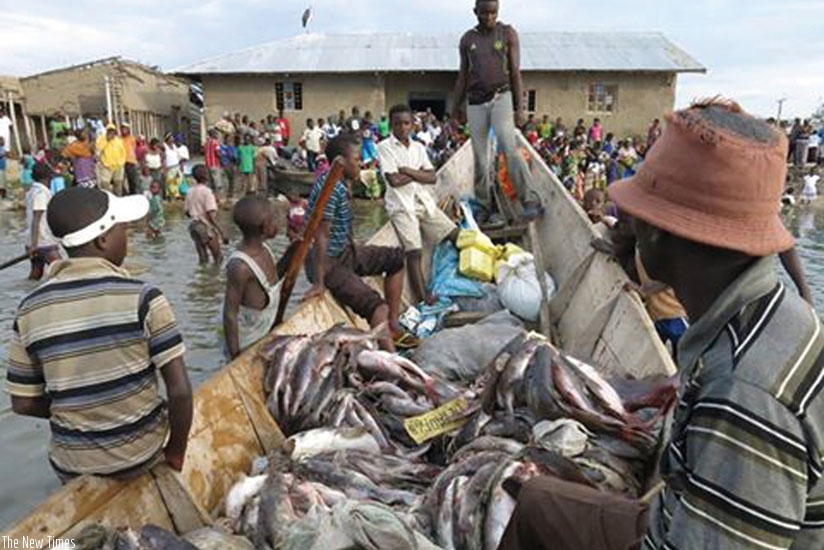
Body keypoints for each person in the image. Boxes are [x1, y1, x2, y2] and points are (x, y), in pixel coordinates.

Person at [500, 100, 824, 550]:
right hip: (677, 516)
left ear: (660, 233)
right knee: (535, 499)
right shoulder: (774, 313)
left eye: (637, 213)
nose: (626, 221)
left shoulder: (742, 396)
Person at [7, 186, 193, 480]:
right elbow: (180, 392)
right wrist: (176, 452)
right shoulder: (144, 297)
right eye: (124, 229)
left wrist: (79, 413)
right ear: (104, 239)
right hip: (141, 455)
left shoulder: (28, 309)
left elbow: (24, 403)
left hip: (72, 465)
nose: (127, 236)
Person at [304, 134, 405, 352]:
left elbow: (340, 225)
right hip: (327, 263)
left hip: (344, 251)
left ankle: (393, 325)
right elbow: (321, 234)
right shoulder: (330, 188)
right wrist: (319, 282)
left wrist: (352, 243)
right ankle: (392, 359)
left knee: (397, 259)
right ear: (341, 161)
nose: (361, 163)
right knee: (376, 306)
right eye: (357, 159)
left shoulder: (341, 183)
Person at [453, 0, 543, 223]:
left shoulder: (507, 33)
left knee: (508, 147)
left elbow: (515, 72)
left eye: (493, 13)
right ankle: (483, 204)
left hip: (501, 97)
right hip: (475, 103)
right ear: (475, 12)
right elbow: (463, 75)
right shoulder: (468, 39)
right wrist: (455, 107)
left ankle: (531, 200)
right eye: (484, 13)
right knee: (480, 156)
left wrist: (519, 108)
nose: (489, 18)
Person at [379, 104, 460, 305]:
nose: (402, 128)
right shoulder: (384, 147)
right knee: (414, 252)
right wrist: (418, 174)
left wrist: (406, 170)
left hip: (422, 201)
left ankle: (461, 271)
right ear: (391, 125)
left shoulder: (418, 147)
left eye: (406, 123)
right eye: (397, 124)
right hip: (400, 206)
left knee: (454, 234)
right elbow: (393, 181)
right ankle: (423, 296)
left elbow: (432, 177)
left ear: (413, 125)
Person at [223, 196, 281, 359]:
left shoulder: (265, 250)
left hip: (264, 332)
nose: (277, 223)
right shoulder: (240, 266)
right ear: (264, 227)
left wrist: (293, 252)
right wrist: (235, 356)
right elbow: (229, 314)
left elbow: (271, 280)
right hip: (247, 342)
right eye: (273, 219)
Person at [185, 164, 228, 265]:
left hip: (194, 226)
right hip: (205, 227)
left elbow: (187, 212)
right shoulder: (207, 192)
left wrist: (196, 212)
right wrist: (222, 232)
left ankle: (203, 278)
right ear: (206, 176)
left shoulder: (190, 191)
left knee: (203, 259)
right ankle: (214, 279)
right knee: (218, 257)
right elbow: (211, 215)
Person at [25, 163, 62, 280]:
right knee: (61, 270)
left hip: (33, 241)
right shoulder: (41, 193)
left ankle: (27, 294)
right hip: (42, 242)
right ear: (47, 178)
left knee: (36, 273)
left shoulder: (33, 191)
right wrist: (35, 245)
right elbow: (37, 219)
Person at [95, 124, 127, 195]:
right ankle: (108, 199)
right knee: (105, 184)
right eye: (110, 131)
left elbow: (123, 152)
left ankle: (118, 198)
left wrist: (121, 163)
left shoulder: (118, 140)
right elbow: (98, 151)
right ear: (107, 131)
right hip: (106, 167)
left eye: (113, 131)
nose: (111, 133)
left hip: (118, 166)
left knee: (118, 184)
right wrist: (106, 140)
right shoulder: (101, 139)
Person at [204, 129, 224, 198]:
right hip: (214, 164)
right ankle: (218, 197)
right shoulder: (215, 142)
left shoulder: (206, 143)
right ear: (213, 134)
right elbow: (218, 153)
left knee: (210, 182)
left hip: (208, 164)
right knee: (217, 181)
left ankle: (210, 196)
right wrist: (222, 159)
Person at [121, 123, 139, 194]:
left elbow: (134, 149)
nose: (124, 130)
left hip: (131, 162)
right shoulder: (119, 139)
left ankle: (133, 195)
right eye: (122, 129)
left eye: (125, 129)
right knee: (121, 181)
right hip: (122, 162)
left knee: (132, 181)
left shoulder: (132, 138)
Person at [163, 133, 182, 200]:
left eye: (172, 138)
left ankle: (176, 194)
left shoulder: (174, 146)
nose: (172, 139)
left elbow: (177, 156)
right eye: (170, 138)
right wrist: (164, 167)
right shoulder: (164, 146)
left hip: (176, 166)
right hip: (169, 167)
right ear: (167, 139)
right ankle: (169, 195)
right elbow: (163, 157)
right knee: (169, 182)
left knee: (177, 180)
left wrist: (180, 165)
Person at [221, 134, 239, 199]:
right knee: (231, 180)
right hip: (229, 164)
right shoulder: (230, 147)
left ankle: (228, 194)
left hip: (224, 164)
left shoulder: (222, 146)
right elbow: (233, 156)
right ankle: (229, 194)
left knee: (229, 180)